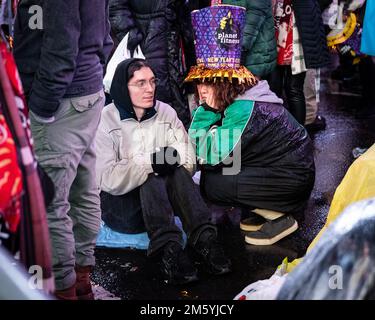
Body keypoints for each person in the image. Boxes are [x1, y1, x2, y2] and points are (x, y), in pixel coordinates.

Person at [186, 4, 315, 246]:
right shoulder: (244, 97)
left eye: (208, 82)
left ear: (224, 84)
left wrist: (207, 110)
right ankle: (269, 209)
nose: (201, 90)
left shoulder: (245, 108)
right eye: (199, 82)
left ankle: (281, 216)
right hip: (289, 175)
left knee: (212, 183)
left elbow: (207, 155)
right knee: (221, 171)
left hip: (293, 183)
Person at [95, 58, 231, 285]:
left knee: (173, 170)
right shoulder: (105, 119)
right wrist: (151, 162)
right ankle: (168, 250)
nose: (150, 89)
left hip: (163, 204)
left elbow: (188, 159)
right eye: (140, 83)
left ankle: (204, 239)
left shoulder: (164, 111)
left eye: (152, 81)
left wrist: (166, 160)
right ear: (122, 87)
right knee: (152, 172)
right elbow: (106, 177)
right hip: (123, 209)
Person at [13, 0, 113, 299]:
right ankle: (80, 281)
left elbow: (62, 43)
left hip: (61, 99)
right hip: (82, 92)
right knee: (82, 189)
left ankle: (64, 288)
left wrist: (41, 107)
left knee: (50, 202)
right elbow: (102, 36)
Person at [108, 0, 193, 128]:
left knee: (174, 105)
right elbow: (115, 6)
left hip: (172, 46)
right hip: (146, 48)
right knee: (152, 103)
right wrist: (132, 37)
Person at [268, 0, 330, 125]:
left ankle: (298, 135)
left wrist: (311, 7)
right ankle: (280, 134)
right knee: (275, 87)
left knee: (293, 88)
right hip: (278, 25)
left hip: (298, 27)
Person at [222, 0, 277, 80]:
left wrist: (240, 53)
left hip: (252, 56)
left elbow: (251, 24)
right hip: (231, 52)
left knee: (249, 90)